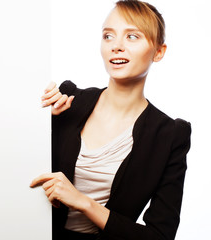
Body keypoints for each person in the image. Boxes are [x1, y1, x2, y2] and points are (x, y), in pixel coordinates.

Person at [30, 0, 191, 239]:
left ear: (159, 52)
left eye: (132, 36)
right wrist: (40, 122)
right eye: (108, 36)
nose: (116, 46)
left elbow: (161, 235)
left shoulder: (169, 135)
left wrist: (84, 203)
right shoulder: (67, 100)